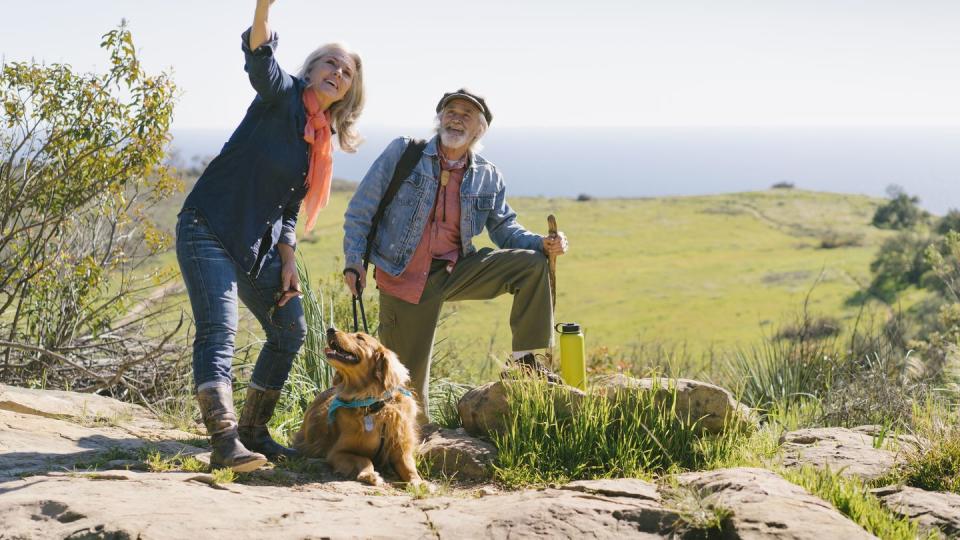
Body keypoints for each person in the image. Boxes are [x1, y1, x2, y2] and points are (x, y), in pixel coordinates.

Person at [176, 0, 364, 471]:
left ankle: (253, 432)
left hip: (255, 247)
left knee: (290, 330)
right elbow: (260, 57)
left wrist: (286, 258)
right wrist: (264, 7)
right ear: (311, 69)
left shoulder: (316, 139)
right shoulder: (281, 96)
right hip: (209, 227)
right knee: (220, 330)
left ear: (347, 92)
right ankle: (223, 444)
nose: (337, 73)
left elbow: (289, 207)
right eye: (330, 63)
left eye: (346, 72)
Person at [342, 89, 568, 422]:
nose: (456, 118)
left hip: (455, 269)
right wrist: (354, 261)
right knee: (404, 387)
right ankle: (398, 449)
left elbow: (504, 229)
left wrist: (543, 244)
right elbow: (362, 209)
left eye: (467, 114)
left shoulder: (487, 175)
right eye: (451, 110)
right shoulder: (404, 152)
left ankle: (523, 362)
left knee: (531, 265)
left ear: (480, 129)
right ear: (440, 118)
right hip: (403, 276)